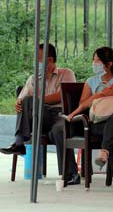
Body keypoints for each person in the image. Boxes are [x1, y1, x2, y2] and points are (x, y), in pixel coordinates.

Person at [0, 43, 80, 185]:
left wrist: (38, 100)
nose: (36, 61)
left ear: (49, 60)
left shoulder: (66, 73)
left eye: (38, 58)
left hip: (59, 115)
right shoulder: (33, 78)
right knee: (26, 101)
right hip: (38, 117)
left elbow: (63, 95)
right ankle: (19, 142)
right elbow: (23, 98)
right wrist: (18, 103)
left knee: (60, 130)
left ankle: (71, 174)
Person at [67, 47, 113, 192]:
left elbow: (108, 92)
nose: (94, 63)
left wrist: (95, 97)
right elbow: (83, 105)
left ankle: (105, 153)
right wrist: (94, 97)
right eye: (94, 60)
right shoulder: (91, 81)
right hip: (99, 125)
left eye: (98, 61)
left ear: (108, 64)